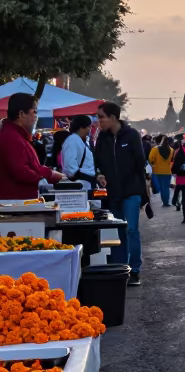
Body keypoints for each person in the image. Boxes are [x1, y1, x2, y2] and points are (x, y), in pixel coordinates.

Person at [94, 101, 149, 286]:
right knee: (118, 231)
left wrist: (142, 190)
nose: (98, 120)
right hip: (112, 192)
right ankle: (120, 267)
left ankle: (135, 269)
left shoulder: (132, 135)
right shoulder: (102, 137)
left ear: (113, 117)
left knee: (132, 229)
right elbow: (98, 161)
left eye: (101, 116)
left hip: (132, 190)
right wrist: (100, 174)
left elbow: (140, 162)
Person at [0, 94, 65, 198]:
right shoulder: (11, 137)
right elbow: (21, 171)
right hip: (16, 206)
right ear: (21, 114)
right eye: (34, 112)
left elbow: (33, 167)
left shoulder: (18, 136)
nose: (36, 117)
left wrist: (51, 174)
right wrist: (44, 177)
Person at [60, 115, 97, 189]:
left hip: (85, 183)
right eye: (89, 126)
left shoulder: (79, 140)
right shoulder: (72, 141)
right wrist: (81, 176)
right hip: (80, 185)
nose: (90, 129)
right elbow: (69, 167)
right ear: (81, 127)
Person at [148, 136, 174, 206]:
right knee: (166, 187)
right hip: (168, 171)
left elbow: (150, 159)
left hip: (157, 171)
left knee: (161, 188)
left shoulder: (155, 149)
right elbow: (172, 160)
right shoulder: (171, 150)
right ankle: (166, 202)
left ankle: (164, 201)